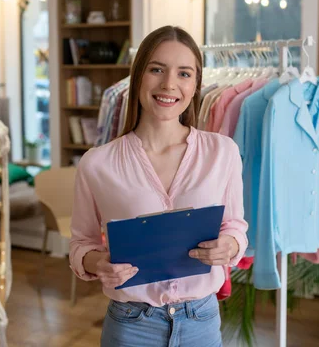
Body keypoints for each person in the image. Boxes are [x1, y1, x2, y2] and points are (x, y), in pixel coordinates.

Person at [69, 26, 248, 347]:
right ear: (138, 78)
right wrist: (99, 264)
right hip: (131, 323)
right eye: (156, 70)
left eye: (184, 73)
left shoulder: (223, 152)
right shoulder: (97, 163)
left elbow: (235, 227)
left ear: (195, 86)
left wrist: (230, 246)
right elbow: (80, 244)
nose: (169, 84)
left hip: (201, 320)